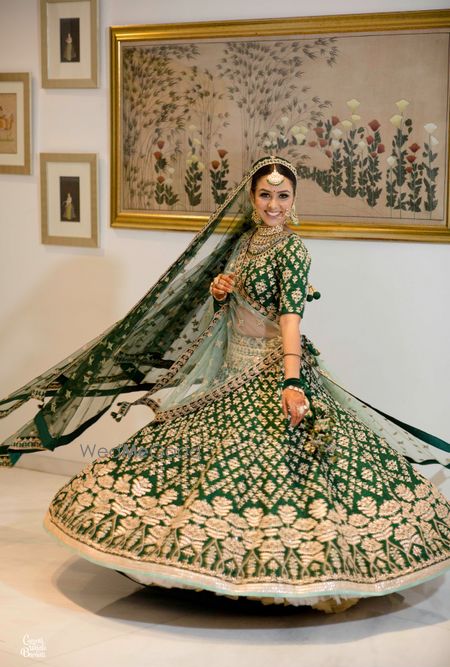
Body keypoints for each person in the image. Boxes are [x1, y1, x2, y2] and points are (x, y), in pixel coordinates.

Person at [1, 156, 449, 613]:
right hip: (230, 369)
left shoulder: (293, 250)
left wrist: (292, 381)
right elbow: (238, 305)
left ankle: (281, 570)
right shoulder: (247, 241)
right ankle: (187, 564)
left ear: (294, 201)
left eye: (283, 196)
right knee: (193, 458)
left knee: (273, 470)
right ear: (252, 199)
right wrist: (222, 290)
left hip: (273, 367)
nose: (274, 204)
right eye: (265, 195)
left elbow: (291, 318)